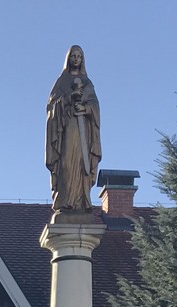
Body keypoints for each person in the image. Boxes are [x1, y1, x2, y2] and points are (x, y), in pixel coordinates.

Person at [45, 44, 101, 214]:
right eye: (73, 56)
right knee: (67, 163)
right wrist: (69, 98)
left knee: (82, 164)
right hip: (67, 127)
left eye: (79, 56)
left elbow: (95, 105)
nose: (76, 59)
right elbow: (51, 108)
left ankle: (81, 201)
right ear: (68, 59)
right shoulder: (62, 82)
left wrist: (86, 109)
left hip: (84, 129)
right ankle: (65, 200)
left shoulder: (87, 83)